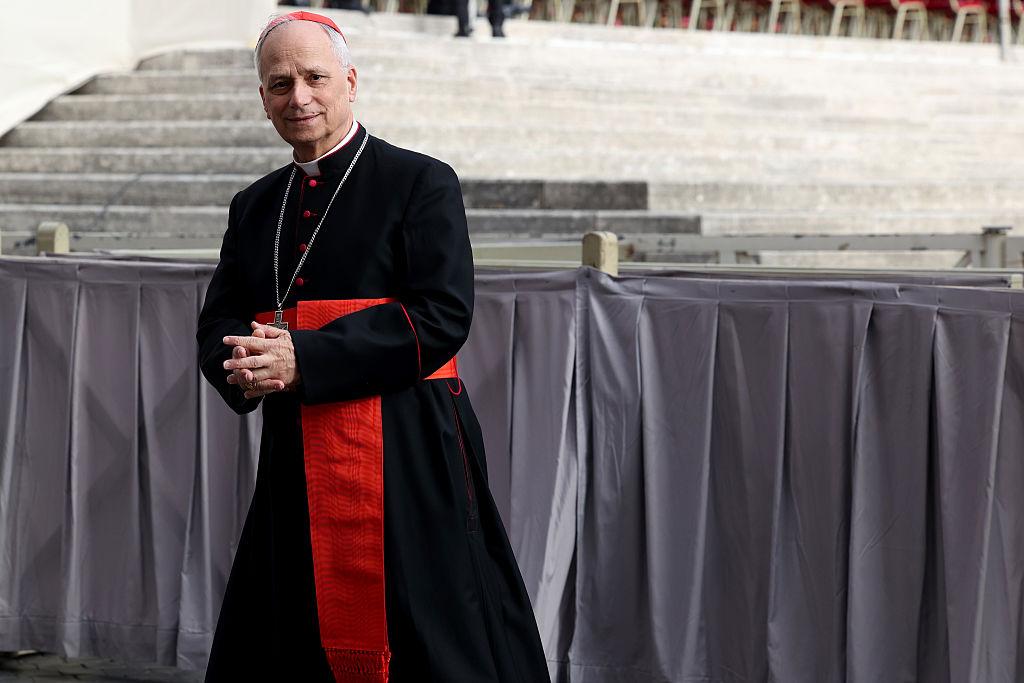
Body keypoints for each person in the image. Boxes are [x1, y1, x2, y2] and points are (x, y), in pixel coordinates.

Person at [196, 11, 550, 682]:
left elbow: (441, 314)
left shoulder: (420, 181)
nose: (299, 97)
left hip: (408, 446)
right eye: (280, 84)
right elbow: (218, 321)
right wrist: (242, 364)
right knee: (291, 621)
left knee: (431, 628)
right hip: (298, 450)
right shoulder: (254, 205)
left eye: (315, 77)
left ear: (350, 81)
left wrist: (304, 358)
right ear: (263, 98)